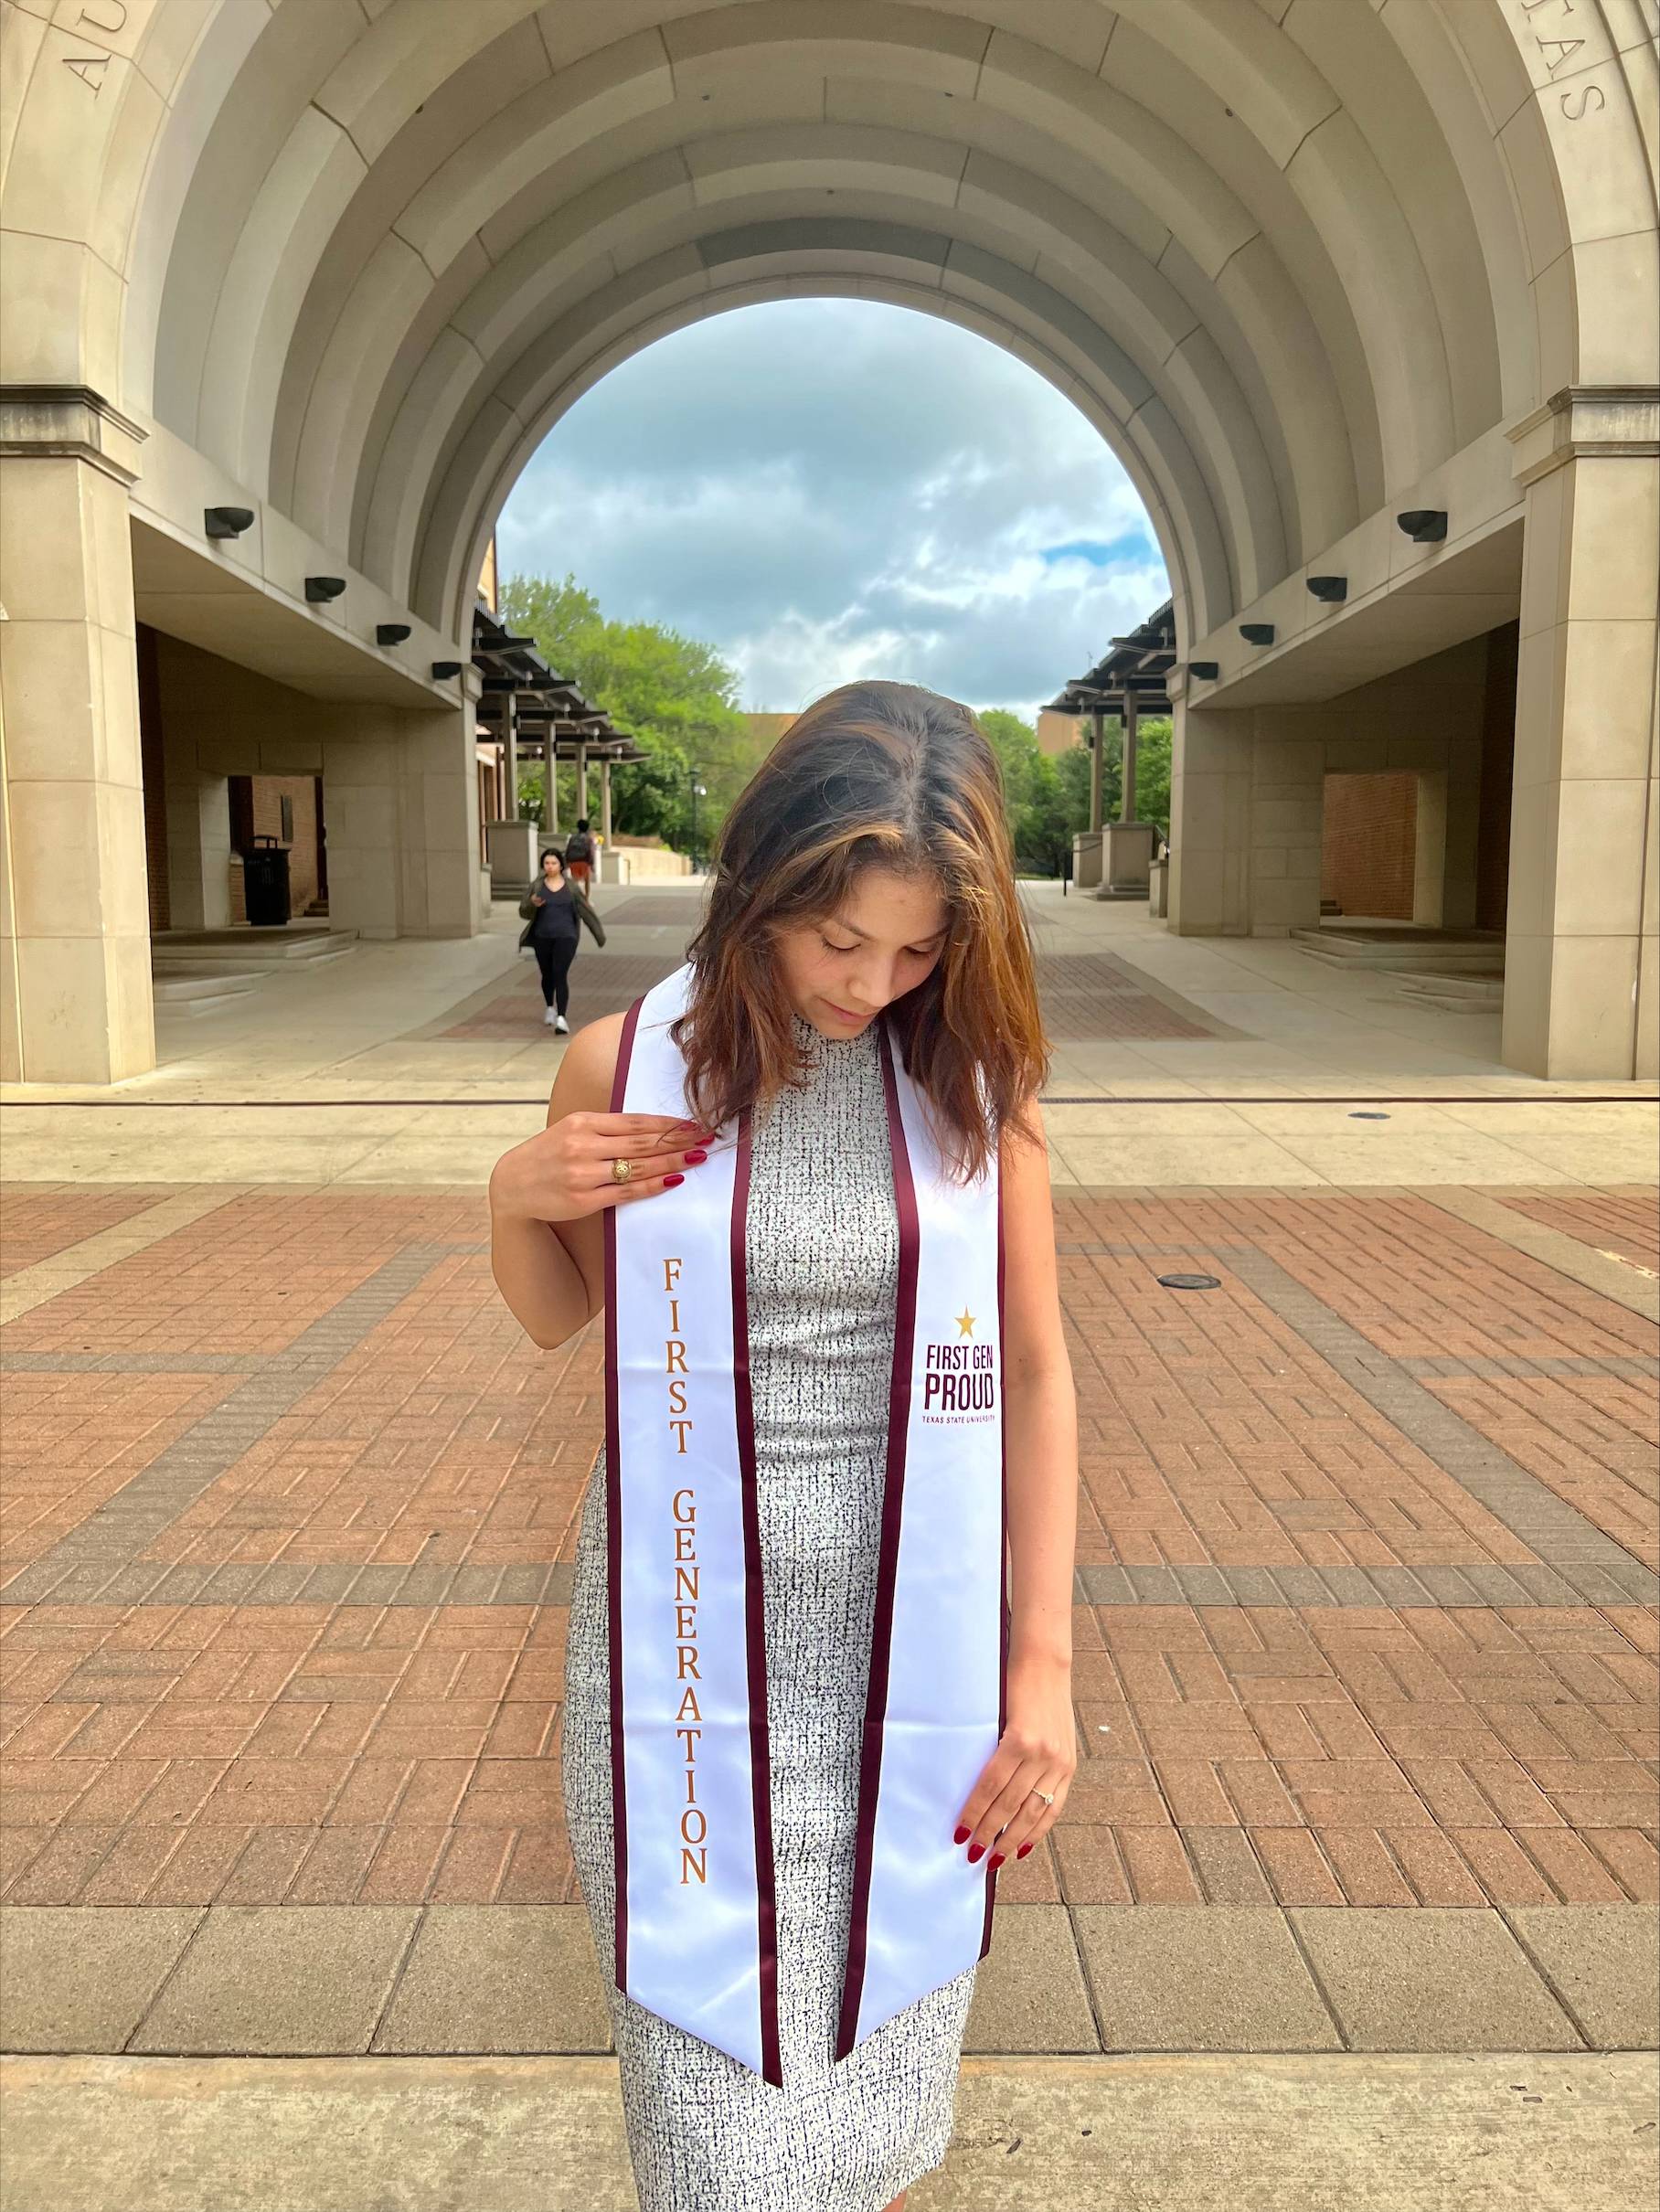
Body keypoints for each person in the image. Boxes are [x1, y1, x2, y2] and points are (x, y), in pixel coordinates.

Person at [488, 681, 1078, 2212]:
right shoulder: (631, 1067)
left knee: (872, 2115)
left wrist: (1046, 1673)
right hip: (678, 1649)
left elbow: (1033, 1368)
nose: (874, 982)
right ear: (761, 888)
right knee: (718, 2140)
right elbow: (563, 1320)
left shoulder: (967, 1090)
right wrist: (515, 1197)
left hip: (920, 1664)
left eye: (920, 946)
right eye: (840, 940)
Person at [517, 846, 604, 1032]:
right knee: (547, 975)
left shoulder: (571, 886)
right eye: (547, 863)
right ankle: (550, 1006)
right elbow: (523, 911)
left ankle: (561, 1018)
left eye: (553, 863)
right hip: (542, 936)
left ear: (560, 865)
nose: (550, 866)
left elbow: (585, 910)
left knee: (560, 974)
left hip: (567, 936)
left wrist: (598, 935)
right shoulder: (537, 886)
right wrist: (532, 904)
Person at [564, 816, 597, 894]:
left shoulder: (573, 838)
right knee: (587, 880)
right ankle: (586, 898)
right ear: (588, 828)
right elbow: (591, 852)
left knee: (575, 881)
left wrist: (567, 862)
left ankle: (575, 897)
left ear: (578, 827)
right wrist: (592, 865)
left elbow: (568, 850)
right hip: (584, 862)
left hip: (573, 861)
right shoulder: (589, 839)